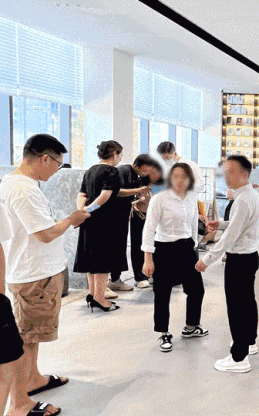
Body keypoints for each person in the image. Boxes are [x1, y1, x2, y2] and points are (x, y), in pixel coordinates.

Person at [0, 134, 89, 413]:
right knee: (26, 338)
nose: (57, 171)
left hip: (34, 271)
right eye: (58, 165)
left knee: (33, 333)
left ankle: (33, 378)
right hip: (34, 274)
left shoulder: (18, 184)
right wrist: (72, 219)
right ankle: (22, 399)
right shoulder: (23, 190)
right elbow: (45, 234)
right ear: (45, 159)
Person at [196, 156, 259, 373]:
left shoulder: (242, 200)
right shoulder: (251, 195)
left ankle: (239, 358)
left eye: (231, 172)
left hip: (239, 260)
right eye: (225, 172)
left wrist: (207, 260)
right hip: (250, 257)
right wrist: (223, 223)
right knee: (247, 303)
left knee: (237, 308)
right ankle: (249, 342)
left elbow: (230, 237)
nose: (226, 176)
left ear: (245, 174)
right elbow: (242, 225)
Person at [142, 163, 208, 353]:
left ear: (190, 180)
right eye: (176, 176)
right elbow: (149, 229)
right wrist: (148, 258)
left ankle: (191, 326)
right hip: (164, 249)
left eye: (184, 177)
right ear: (170, 178)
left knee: (196, 290)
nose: (179, 180)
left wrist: (195, 249)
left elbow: (193, 224)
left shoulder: (192, 198)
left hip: (187, 248)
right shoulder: (160, 199)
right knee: (162, 294)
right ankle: (163, 332)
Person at [74, 140, 125, 312]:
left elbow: (82, 194)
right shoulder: (112, 171)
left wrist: (82, 211)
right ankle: (101, 299)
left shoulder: (90, 170)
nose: (120, 158)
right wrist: (89, 210)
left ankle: (93, 295)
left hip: (88, 221)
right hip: (105, 221)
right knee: (103, 260)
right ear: (114, 154)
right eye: (120, 155)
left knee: (91, 259)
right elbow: (105, 196)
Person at [108, 154, 160, 291]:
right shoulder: (123, 171)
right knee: (124, 245)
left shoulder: (142, 175)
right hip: (120, 214)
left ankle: (148, 274)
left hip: (136, 212)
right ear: (137, 165)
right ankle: (124, 278)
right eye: (145, 169)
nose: (147, 172)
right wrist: (137, 193)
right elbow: (115, 192)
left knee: (146, 243)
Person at [130, 161, 164, 288]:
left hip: (156, 218)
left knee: (155, 246)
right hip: (140, 217)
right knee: (138, 245)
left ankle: (152, 274)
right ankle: (140, 277)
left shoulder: (160, 185)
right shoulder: (138, 184)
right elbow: (132, 201)